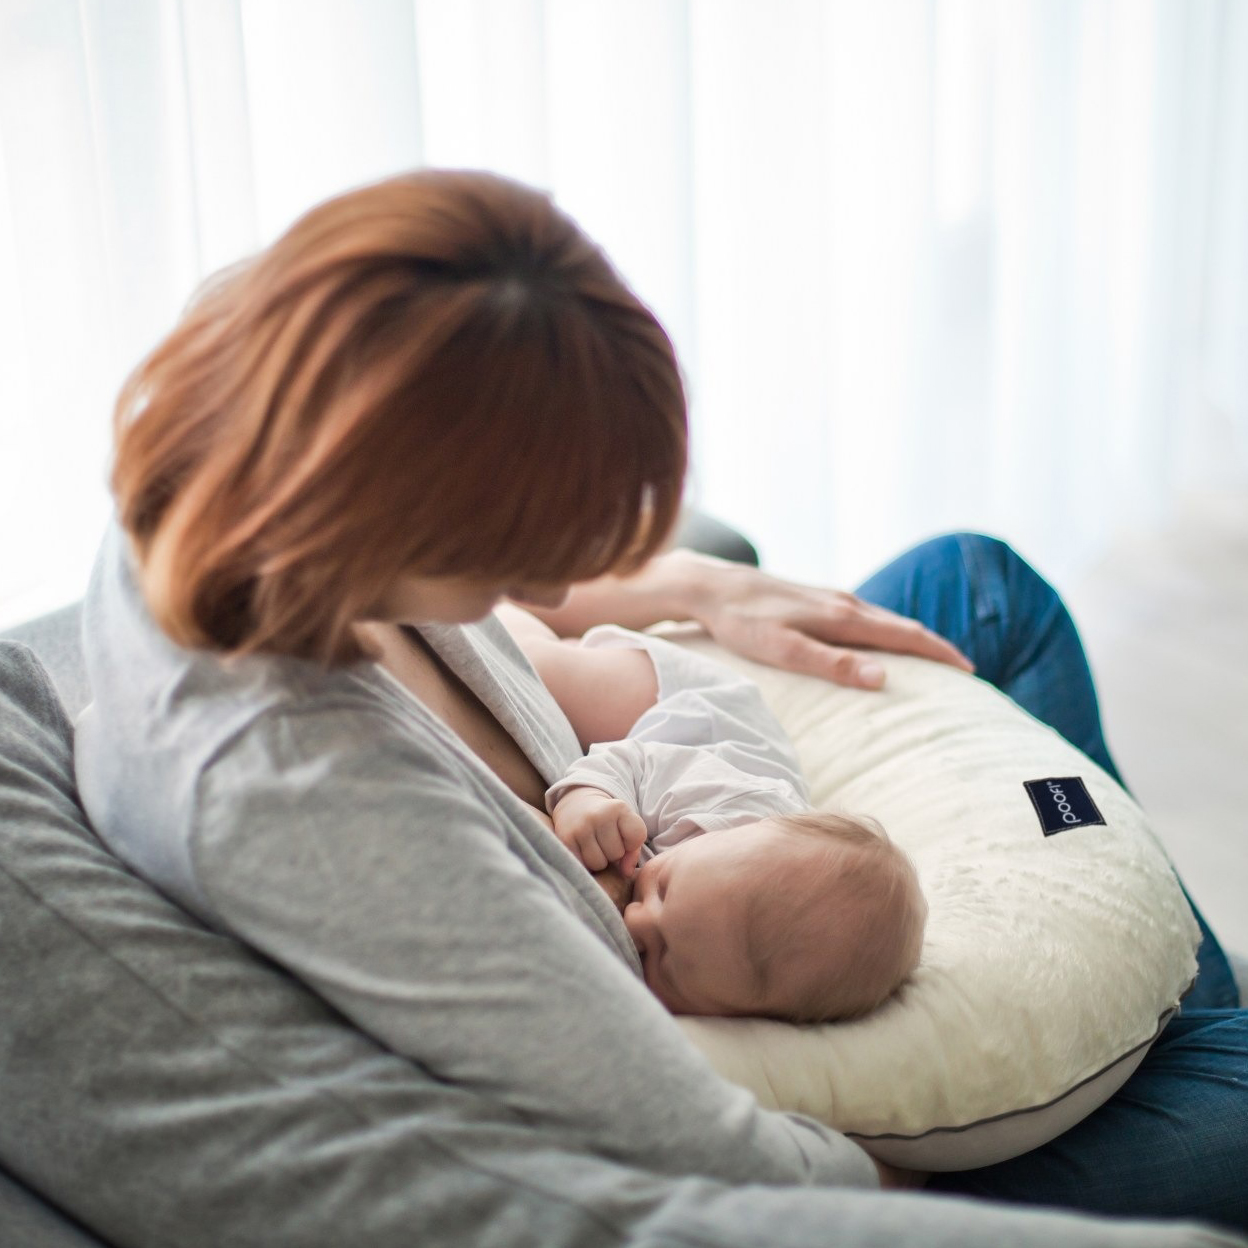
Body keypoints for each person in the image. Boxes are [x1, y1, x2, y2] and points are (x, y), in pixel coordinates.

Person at [70, 168, 1246, 1243]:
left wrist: (691, 585)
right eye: (507, 554)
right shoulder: (318, 807)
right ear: (381, 520)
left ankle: (1155, 1011)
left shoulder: (254, 407)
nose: (538, 591)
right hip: (826, 1138)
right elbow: (669, 1126)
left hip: (678, 781)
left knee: (973, 586)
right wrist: (912, 1181)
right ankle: (1174, 1042)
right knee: (1229, 1091)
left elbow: (529, 617)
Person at [504, 610, 926, 1022]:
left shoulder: (711, 916)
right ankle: (513, 606)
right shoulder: (720, 804)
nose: (635, 919)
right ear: (715, 834)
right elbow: (635, 763)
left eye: (663, 962)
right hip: (683, 707)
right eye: (664, 889)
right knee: (528, 667)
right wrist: (587, 796)